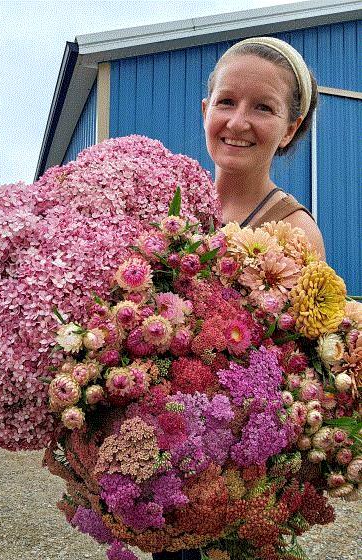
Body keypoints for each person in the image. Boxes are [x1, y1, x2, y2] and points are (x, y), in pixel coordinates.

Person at [152, 35, 325, 560]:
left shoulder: (294, 233)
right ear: (206, 110)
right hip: (161, 471)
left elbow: (303, 380)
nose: (238, 121)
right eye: (226, 101)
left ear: (290, 128)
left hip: (232, 492)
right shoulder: (172, 212)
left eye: (264, 108)